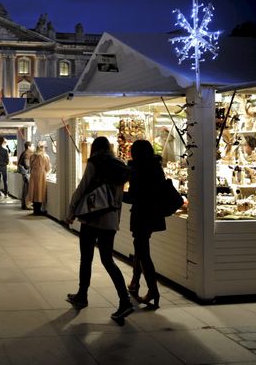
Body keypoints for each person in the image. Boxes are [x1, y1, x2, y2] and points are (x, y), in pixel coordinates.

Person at [65, 136, 133, 322]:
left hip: (92, 219)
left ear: (95, 148)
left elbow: (82, 188)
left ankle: (82, 295)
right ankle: (125, 300)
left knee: (86, 258)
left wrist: (71, 211)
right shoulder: (119, 165)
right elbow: (118, 198)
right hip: (110, 221)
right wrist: (115, 221)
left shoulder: (95, 162)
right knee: (108, 260)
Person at [123, 139, 166, 308]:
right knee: (139, 248)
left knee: (143, 252)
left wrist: (117, 196)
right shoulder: (156, 167)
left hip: (142, 214)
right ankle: (135, 283)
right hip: (153, 214)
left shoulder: (138, 170)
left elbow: (134, 196)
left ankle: (153, 291)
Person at [27, 142, 51, 215]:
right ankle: (38, 210)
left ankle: (35, 210)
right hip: (41, 174)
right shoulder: (45, 156)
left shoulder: (32, 156)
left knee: (34, 191)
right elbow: (48, 168)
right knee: (40, 191)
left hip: (33, 173)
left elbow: (30, 165)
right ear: (43, 148)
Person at [17, 141, 34, 210]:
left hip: (24, 173)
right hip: (26, 173)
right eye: (32, 146)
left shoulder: (24, 152)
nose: (33, 147)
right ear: (29, 147)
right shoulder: (28, 153)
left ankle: (24, 204)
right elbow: (27, 165)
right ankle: (27, 205)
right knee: (27, 189)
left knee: (25, 189)